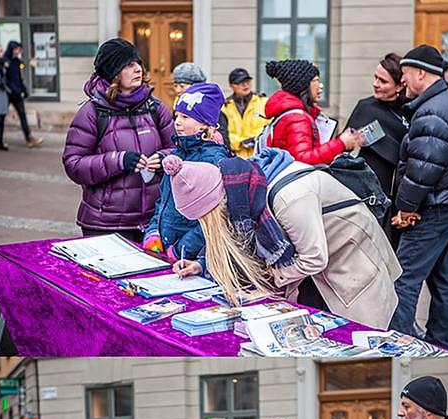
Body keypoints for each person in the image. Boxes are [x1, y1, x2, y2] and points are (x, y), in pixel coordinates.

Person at [252, 147, 402, 327]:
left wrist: (274, 275)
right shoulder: (272, 177)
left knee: (362, 339)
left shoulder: (289, 197)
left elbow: (314, 259)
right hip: (334, 262)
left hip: (353, 265)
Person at [388, 45, 448, 351]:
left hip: (432, 207)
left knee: (403, 279)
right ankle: (441, 343)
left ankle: (397, 346)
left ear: (421, 73)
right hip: (446, 204)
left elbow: (424, 168)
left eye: (407, 74)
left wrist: (406, 208)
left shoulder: (433, 110)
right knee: (442, 280)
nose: (403, 82)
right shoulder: (446, 103)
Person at [63, 38, 174, 242]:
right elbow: (74, 164)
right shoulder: (92, 113)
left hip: (153, 221)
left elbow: (177, 149)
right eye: (129, 65)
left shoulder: (155, 108)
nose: (138, 69)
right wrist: (119, 160)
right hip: (106, 223)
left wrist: (163, 158)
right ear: (114, 73)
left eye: (138, 63)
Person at [162, 155, 291, 306]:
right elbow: (229, 242)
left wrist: (269, 288)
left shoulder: (273, 202)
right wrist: (201, 264)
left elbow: (308, 259)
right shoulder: (234, 203)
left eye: (203, 218)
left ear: (214, 206)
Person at [142, 81, 232, 261]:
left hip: (189, 256)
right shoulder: (176, 154)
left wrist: (182, 249)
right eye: (177, 116)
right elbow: (164, 199)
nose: (177, 123)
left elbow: (215, 217)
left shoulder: (213, 160)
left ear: (204, 124)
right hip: (165, 246)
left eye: (185, 117)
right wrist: (153, 231)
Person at [345, 53, 409, 244]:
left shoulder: (411, 111)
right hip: (369, 190)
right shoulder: (366, 107)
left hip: (401, 193)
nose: (375, 83)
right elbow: (342, 147)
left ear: (399, 86)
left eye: (383, 81)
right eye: (375, 77)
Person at [263, 59, 365, 165]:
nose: (321, 86)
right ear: (303, 85)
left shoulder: (292, 113)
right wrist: (340, 144)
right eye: (316, 80)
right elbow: (302, 161)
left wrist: (343, 143)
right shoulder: (297, 118)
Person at [219, 67, 268, 159]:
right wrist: (240, 142)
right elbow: (222, 135)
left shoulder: (263, 102)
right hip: (235, 158)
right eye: (240, 82)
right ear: (231, 86)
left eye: (247, 81)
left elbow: (270, 127)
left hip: (262, 156)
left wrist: (256, 139)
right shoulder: (224, 107)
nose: (245, 85)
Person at [2, 41, 43, 147]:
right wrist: (12, 89)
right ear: (12, 49)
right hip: (7, 93)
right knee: (0, 117)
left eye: (19, 50)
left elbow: (19, 78)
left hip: (17, 93)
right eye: (16, 49)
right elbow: (5, 79)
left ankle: (29, 138)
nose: (18, 52)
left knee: (22, 115)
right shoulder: (5, 61)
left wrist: (24, 90)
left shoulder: (17, 61)